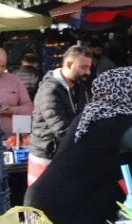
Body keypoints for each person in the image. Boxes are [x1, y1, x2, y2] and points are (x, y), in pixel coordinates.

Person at [24, 67, 132, 224]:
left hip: (45, 203)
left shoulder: (92, 115)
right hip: (64, 211)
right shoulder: (121, 123)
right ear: (129, 92)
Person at [29, 45, 93, 185]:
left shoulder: (79, 86)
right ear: (69, 64)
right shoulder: (49, 91)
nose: (87, 72)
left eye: (89, 67)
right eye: (83, 67)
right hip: (46, 158)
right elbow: (61, 129)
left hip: (66, 155)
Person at [0, 46, 33, 137]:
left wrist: (12, 111)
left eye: (3, 66)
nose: (0, 70)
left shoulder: (14, 80)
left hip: (13, 140)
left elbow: (29, 107)